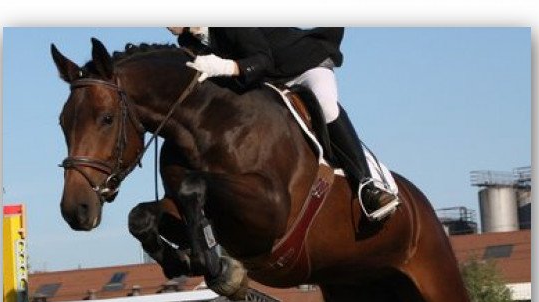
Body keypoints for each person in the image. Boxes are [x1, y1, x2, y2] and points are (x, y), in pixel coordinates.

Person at [167, 27, 397, 220]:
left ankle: (368, 185)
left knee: (325, 106)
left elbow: (262, 61)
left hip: (303, 65)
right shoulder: (188, 41)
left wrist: (225, 67)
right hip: (269, 81)